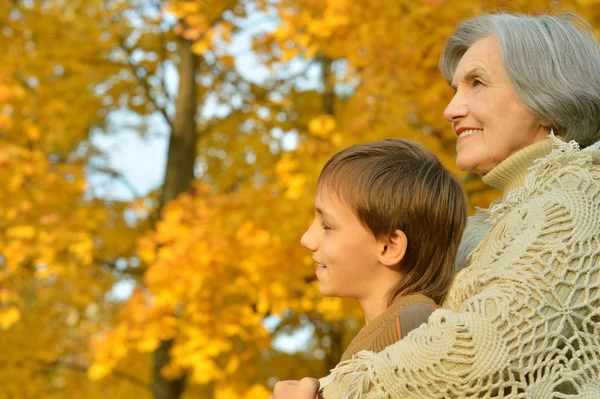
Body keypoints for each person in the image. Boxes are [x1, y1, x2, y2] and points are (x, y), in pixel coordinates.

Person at [272, 12, 600, 398]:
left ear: (547, 96)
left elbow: (480, 352)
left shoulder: (579, 201)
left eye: (476, 82)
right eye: (454, 88)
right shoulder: (492, 231)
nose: (451, 110)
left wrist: (326, 392)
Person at [300, 139, 467, 363]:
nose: (306, 240)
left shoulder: (412, 323)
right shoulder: (382, 329)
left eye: (327, 226)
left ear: (389, 247)